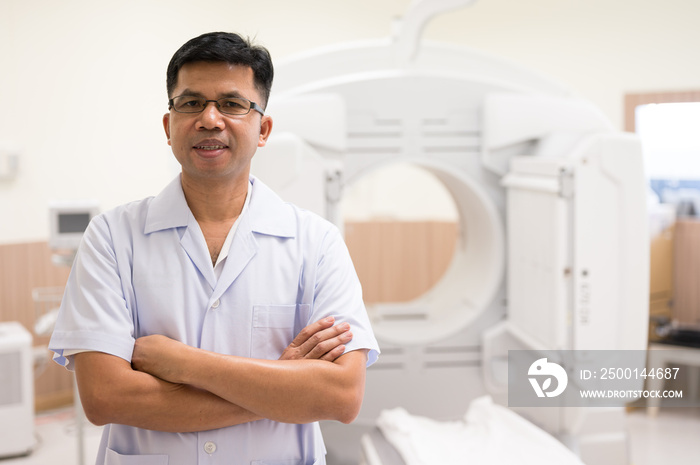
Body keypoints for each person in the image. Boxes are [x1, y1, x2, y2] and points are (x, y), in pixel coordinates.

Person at [49, 31, 379, 465]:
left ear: (262, 129)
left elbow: (341, 396)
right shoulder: (112, 237)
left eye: (231, 103)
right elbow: (106, 398)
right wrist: (285, 384)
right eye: (190, 103)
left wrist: (184, 363)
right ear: (169, 128)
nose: (209, 118)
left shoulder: (316, 243)